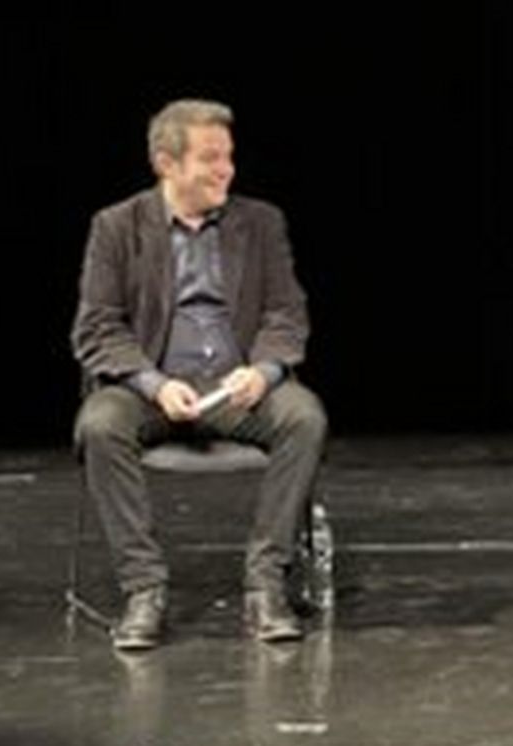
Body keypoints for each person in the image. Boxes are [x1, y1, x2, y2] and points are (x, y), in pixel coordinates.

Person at [71, 99, 327, 649]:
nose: (225, 170)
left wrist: (263, 371)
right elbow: (97, 327)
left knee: (304, 417)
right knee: (99, 425)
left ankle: (266, 586)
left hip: (238, 389)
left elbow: (287, 313)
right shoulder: (116, 227)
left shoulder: (261, 223)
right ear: (166, 164)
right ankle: (144, 590)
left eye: (228, 157)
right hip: (152, 387)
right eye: (210, 158)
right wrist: (153, 384)